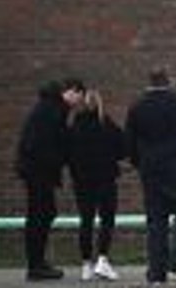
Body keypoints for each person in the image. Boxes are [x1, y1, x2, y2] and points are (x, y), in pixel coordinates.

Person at [125, 65, 176, 283]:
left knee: (156, 222)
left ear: (149, 82)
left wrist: (140, 164)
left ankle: (156, 272)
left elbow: (129, 144)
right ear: (168, 81)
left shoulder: (136, 107)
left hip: (151, 172)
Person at [15, 77, 86, 281]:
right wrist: (63, 160)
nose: (78, 104)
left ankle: (38, 263)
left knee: (43, 213)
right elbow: (50, 142)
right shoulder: (54, 109)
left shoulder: (49, 106)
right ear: (73, 91)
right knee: (41, 214)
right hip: (39, 171)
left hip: (36, 170)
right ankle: (35, 265)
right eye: (79, 98)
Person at [68, 89, 127, 281]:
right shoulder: (106, 124)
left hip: (82, 182)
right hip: (105, 180)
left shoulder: (73, 127)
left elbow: (68, 156)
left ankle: (86, 264)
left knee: (86, 220)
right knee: (107, 220)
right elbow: (123, 148)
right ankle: (102, 260)